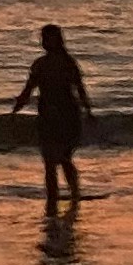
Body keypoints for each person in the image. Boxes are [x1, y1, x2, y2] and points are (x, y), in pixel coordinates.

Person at [10, 23, 90, 201]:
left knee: (63, 157)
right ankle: (52, 196)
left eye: (49, 38)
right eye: (44, 38)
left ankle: (74, 192)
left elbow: (79, 88)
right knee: (49, 160)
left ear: (59, 40)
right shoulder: (39, 64)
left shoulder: (68, 63)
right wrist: (16, 109)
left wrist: (88, 111)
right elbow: (28, 89)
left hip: (68, 115)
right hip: (47, 116)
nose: (45, 41)